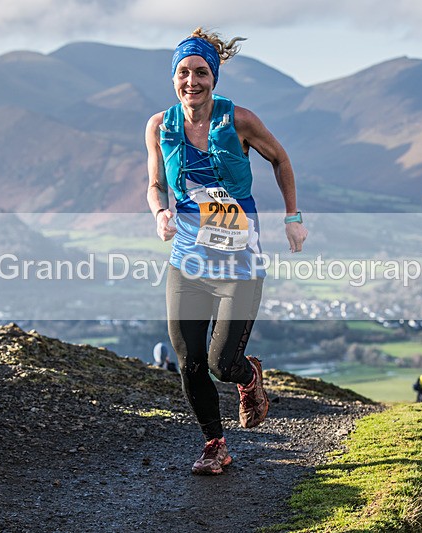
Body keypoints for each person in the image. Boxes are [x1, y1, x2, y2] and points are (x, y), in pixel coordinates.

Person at [145, 28, 308, 475]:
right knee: (190, 361)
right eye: (183, 73)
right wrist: (160, 212)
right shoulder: (159, 126)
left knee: (221, 363)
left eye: (201, 73)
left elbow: (280, 159)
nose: (191, 81)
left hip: (240, 263)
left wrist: (292, 217)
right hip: (188, 261)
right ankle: (214, 444)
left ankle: (248, 376)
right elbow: (155, 184)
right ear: (173, 77)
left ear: (213, 78)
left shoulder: (240, 121)